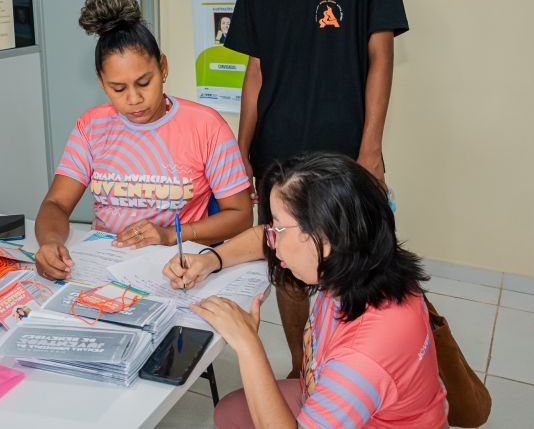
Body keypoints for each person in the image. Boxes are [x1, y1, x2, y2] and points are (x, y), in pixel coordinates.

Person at [224, 0, 409, 377]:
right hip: (277, 155)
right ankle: (300, 367)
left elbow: (381, 57)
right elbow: (256, 72)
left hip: (344, 156)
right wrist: (241, 149)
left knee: (351, 268)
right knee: (287, 268)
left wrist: (370, 151)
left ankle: (349, 370)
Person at [163, 153, 447, 428]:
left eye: (279, 230)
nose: (271, 241)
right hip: (328, 392)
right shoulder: (361, 260)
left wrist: (248, 346)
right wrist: (211, 260)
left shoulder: (361, 359)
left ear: (326, 236)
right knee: (230, 412)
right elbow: (262, 238)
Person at [34, 0, 253, 280]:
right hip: (107, 267)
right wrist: (50, 242)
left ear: (163, 68)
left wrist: (169, 235)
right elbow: (56, 204)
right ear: (101, 82)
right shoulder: (91, 126)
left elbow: (240, 215)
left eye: (144, 83)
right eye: (118, 88)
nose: (134, 99)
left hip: (178, 268)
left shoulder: (206, 126)